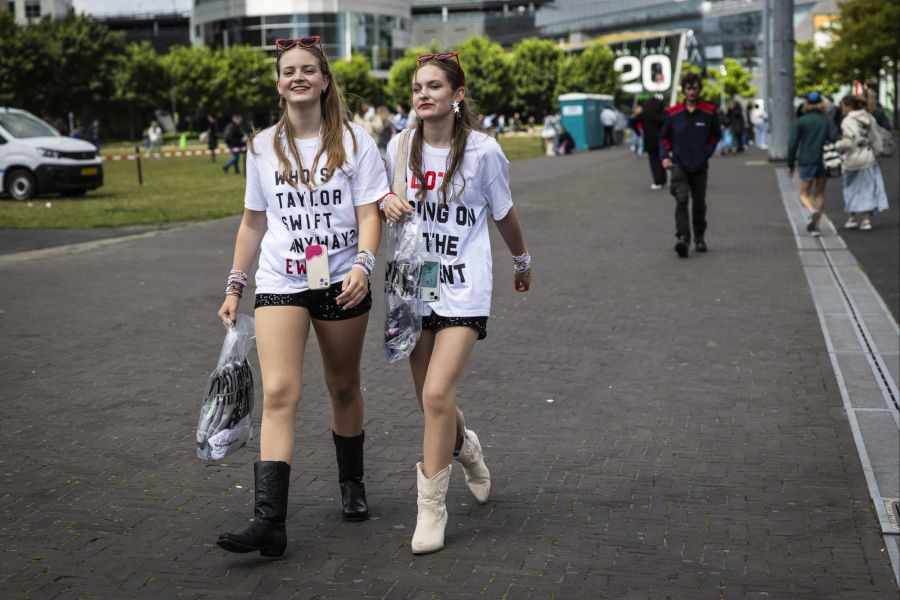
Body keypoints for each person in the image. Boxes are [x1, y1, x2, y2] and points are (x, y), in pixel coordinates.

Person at [216, 35, 388, 557]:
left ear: (324, 79)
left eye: (308, 70)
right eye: (289, 70)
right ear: (278, 83)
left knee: (342, 387)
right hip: (281, 282)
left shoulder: (357, 142)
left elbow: (368, 214)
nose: (298, 77)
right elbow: (253, 221)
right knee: (280, 392)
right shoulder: (261, 145)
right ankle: (270, 520)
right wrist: (235, 281)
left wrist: (363, 263)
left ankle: (352, 484)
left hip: (342, 280)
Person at [381, 50, 532, 555]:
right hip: (415, 281)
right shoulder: (400, 145)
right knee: (431, 401)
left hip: (465, 284)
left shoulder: (484, 152)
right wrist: (386, 202)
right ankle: (466, 448)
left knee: (437, 394)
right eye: (417, 87)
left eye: (434, 86)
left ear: (457, 96)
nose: (423, 94)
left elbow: (504, 213)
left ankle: (431, 511)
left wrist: (522, 260)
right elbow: (381, 202)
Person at [660, 72, 722, 257]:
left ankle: (699, 237)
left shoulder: (709, 112)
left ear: (699, 89)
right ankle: (683, 238)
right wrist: (665, 156)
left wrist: (707, 152)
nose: (692, 92)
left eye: (695, 88)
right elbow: (664, 136)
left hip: (700, 165)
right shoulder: (673, 113)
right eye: (688, 88)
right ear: (684, 90)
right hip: (679, 164)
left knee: (699, 204)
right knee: (681, 200)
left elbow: (716, 134)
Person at [835, 94, 889, 231]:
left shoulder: (847, 121)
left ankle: (852, 218)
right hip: (869, 157)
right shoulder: (869, 118)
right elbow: (875, 137)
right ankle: (866, 220)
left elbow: (849, 142)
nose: (842, 107)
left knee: (851, 189)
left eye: (843, 105)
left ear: (848, 106)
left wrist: (838, 145)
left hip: (853, 160)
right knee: (868, 189)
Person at [787, 91, 837, 237]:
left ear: (806, 104)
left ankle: (811, 211)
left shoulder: (801, 121)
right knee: (819, 193)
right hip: (824, 161)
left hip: (807, 160)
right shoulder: (827, 120)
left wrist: (791, 165)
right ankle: (816, 226)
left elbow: (792, 145)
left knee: (803, 193)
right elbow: (834, 137)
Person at [634, 97, 667, 189]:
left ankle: (658, 182)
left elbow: (632, 121)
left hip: (650, 140)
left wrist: (638, 132)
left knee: (654, 161)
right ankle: (663, 180)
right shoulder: (662, 112)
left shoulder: (645, 113)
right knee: (662, 159)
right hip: (663, 139)